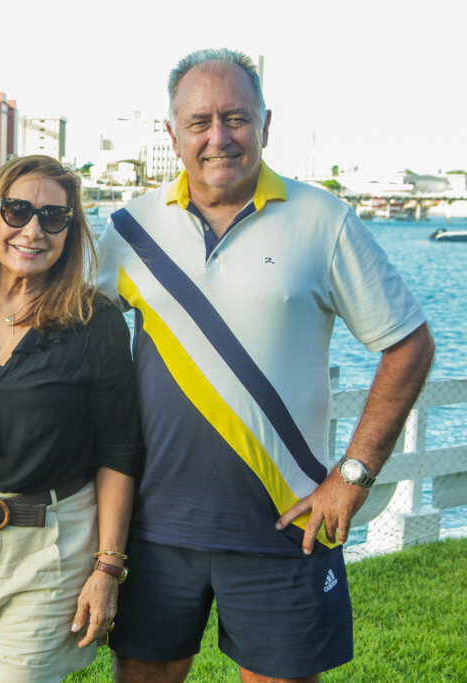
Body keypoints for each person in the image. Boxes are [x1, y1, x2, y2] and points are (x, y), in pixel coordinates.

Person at [98, 48, 435, 683]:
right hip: (154, 525)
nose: (218, 138)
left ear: (266, 123)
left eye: (236, 118)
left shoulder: (325, 220)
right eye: (199, 122)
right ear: (172, 134)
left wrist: (354, 474)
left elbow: (409, 343)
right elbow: (58, 332)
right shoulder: (129, 229)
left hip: (289, 522)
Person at [0, 155, 144, 682]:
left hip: (50, 549)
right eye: (17, 211)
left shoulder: (96, 323)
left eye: (53, 217)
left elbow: (119, 452)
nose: (33, 230)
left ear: (71, 229)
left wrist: (108, 568)